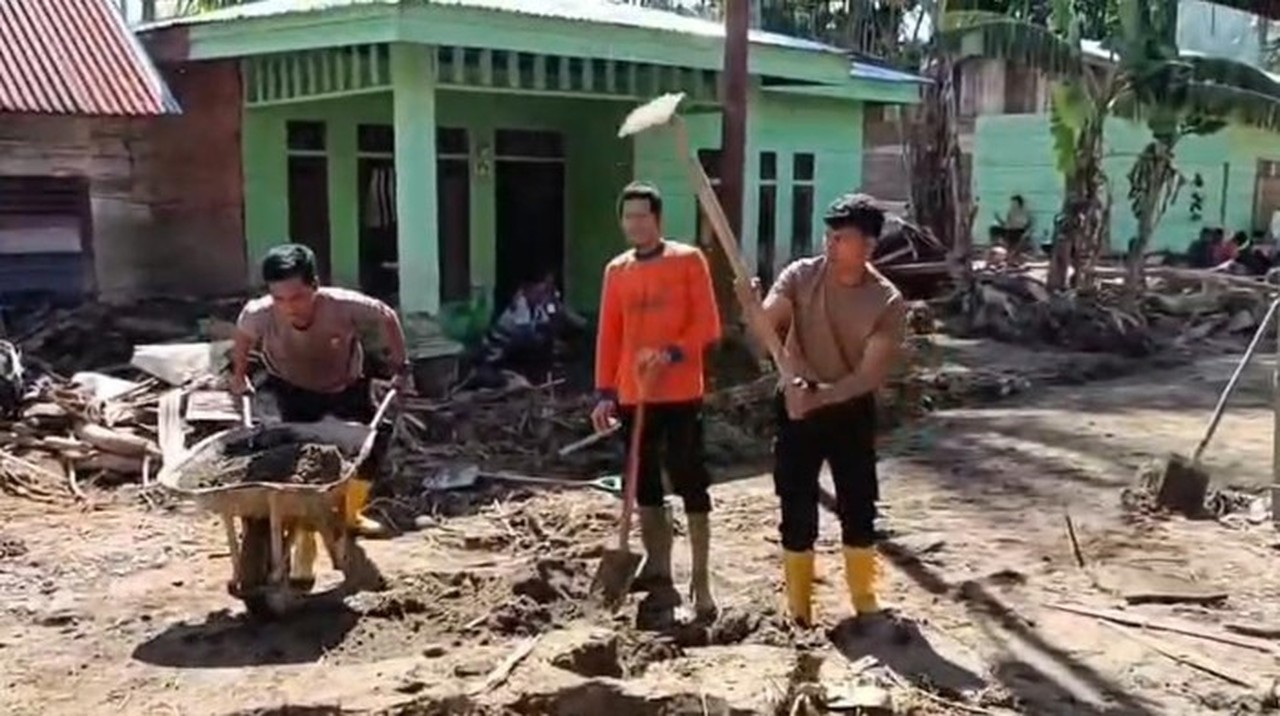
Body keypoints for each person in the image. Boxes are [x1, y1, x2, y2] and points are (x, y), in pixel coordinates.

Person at [761, 193, 907, 626]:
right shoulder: (801, 276)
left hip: (848, 407)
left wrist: (820, 396)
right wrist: (754, 308)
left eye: (841, 236)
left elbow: (867, 377)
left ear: (868, 245)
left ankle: (863, 599)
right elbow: (769, 326)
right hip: (794, 399)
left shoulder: (886, 302)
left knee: (858, 501)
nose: (830, 242)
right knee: (795, 500)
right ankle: (799, 606)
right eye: (829, 234)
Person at [590, 181, 722, 621]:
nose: (635, 224)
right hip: (633, 393)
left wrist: (670, 353)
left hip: (680, 391)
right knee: (642, 481)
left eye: (643, 216)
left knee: (690, 479)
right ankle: (658, 566)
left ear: (659, 220)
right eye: (628, 217)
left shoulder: (687, 261)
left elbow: (708, 325)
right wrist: (605, 392)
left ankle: (701, 579)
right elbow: (609, 335)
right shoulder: (617, 271)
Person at [230, 244, 410, 552]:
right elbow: (243, 338)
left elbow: (387, 316)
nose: (289, 307)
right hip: (291, 386)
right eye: (279, 299)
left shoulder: (344, 305)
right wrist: (239, 376)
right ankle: (302, 522)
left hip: (345, 384)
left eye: (297, 296)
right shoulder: (258, 314)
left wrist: (400, 365)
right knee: (295, 454)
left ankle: (351, 513)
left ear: (315, 285)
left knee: (373, 442)